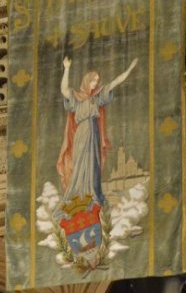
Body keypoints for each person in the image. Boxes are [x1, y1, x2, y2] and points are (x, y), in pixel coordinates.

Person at [56, 55, 139, 207]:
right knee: (80, 162)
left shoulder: (98, 96)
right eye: (93, 80)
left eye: (97, 80)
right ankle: (78, 194)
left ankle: (92, 193)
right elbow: (63, 89)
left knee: (93, 162)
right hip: (81, 133)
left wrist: (129, 70)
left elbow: (115, 82)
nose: (95, 83)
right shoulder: (76, 97)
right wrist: (66, 68)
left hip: (93, 132)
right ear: (87, 81)